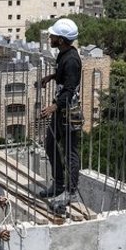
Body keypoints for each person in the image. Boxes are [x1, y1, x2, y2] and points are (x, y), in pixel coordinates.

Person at [36, 18, 82, 205]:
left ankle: (70, 192)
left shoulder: (72, 60)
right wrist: (51, 77)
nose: (50, 37)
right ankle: (59, 184)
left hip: (70, 113)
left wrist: (53, 107)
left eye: (53, 35)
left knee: (71, 152)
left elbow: (70, 90)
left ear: (61, 40)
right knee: (50, 145)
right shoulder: (63, 54)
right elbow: (64, 77)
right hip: (60, 111)